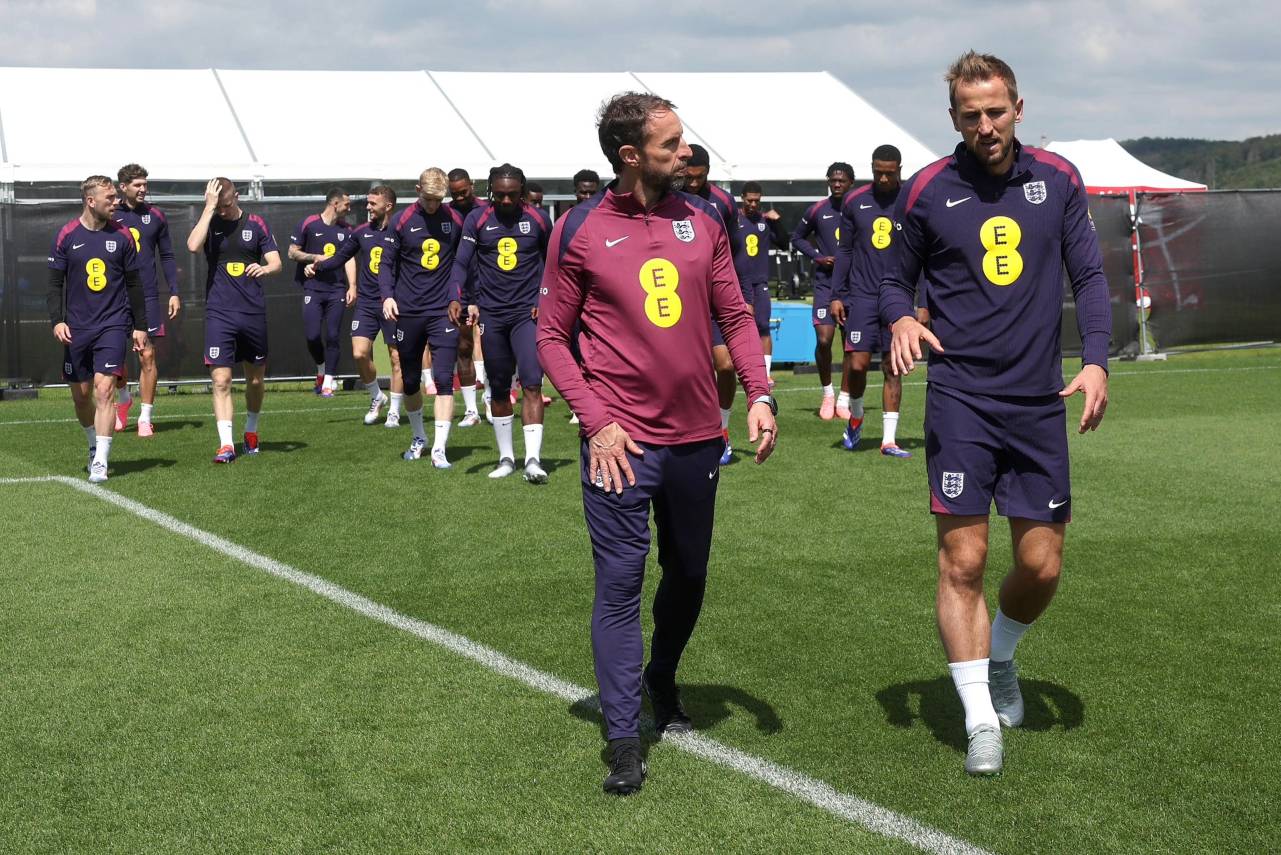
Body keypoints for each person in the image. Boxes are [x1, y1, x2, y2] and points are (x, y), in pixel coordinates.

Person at [537, 92, 778, 796]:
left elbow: (734, 314)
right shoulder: (578, 227)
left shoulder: (704, 220)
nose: (686, 154)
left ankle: (661, 677)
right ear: (630, 154)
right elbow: (549, 335)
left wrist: (760, 394)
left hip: (698, 438)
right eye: (671, 144)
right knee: (619, 583)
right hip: (618, 442)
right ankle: (621, 738)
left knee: (689, 575)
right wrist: (594, 420)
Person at [880, 51, 1111, 775]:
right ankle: (980, 717)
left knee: (1040, 566)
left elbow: (1090, 273)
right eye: (969, 114)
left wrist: (1097, 358)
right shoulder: (924, 191)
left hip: (1038, 401)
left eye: (995, 110)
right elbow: (889, 278)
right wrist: (897, 318)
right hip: (960, 400)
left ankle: (1000, 652)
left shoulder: (1059, 180)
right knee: (964, 559)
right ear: (952, 117)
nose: (984, 125)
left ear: (1018, 108)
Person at [449, 163, 554, 482]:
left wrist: (542, 299)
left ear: (521, 191)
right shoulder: (476, 219)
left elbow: (554, 264)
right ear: (491, 192)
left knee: (533, 383)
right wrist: (456, 296)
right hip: (492, 314)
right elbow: (461, 261)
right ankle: (506, 458)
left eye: (512, 195)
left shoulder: (538, 218)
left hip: (526, 314)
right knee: (498, 386)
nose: (506, 201)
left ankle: (533, 460)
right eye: (500, 195)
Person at [48, 175, 148, 482]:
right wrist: (58, 320)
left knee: (105, 390)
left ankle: (101, 462)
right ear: (91, 201)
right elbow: (54, 284)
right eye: (109, 198)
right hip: (77, 327)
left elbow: (133, 283)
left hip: (113, 324)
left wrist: (140, 326)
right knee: (81, 395)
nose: (115, 202)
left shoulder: (123, 235)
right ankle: (93, 444)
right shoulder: (66, 235)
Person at [186, 177, 282, 463]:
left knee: (254, 380)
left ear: (236, 197)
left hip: (251, 311)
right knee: (221, 379)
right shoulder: (210, 221)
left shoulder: (256, 224)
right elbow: (192, 246)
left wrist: (264, 269)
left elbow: (277, 263)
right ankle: (226, 444)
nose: (223, 211)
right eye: (219, 206)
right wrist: (208, 209)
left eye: (226, 205)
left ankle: (251, 429)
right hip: (219, 312)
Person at [830, 145, 913, 457]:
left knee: (894, 367)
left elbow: (923, 252)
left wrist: (923, 301)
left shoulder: (909, 200)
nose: (883, 177)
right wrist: (836, 294)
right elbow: (845, 251)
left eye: (889, 172)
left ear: (899, 169)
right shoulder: (855, 201)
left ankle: (889, 440)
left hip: (898, 296)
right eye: (878, 171)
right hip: (862, 296)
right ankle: (856, 416)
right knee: (859, 364)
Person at [382, 168, 464, 468]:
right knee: (411, 379)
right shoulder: (402, 221)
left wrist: (460, 297)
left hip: (442, 311)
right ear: (418, 190)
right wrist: (387, 296)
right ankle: (419, 437)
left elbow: (463, 261)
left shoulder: (454, 219)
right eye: (428, 199)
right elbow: (386, 264)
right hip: (409, 311)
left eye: (438, 199)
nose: (433, 205)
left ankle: (439, 449)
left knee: (444, 379)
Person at [308, 184, 404, 426]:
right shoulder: (361, 232)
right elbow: (340, 258)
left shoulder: (402, 231)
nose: (368, 207)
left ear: (388, 206)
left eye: (373, 203)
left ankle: (394, 409)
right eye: (368, 203)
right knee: (359, 353)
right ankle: (376, 397)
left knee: (396, 358)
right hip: (367, 303)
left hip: (393, 303)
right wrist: (317, 265)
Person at [683, 144, 745, 465]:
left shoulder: (723, 202)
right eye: (687, 176)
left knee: (726, 365)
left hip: (715, 296)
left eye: (699, 176)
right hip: (679, 298)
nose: (692, 183)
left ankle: (722, 432)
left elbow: (735, 253)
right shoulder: (669, 195)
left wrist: (740, 296)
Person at [111, 163, 179, 437]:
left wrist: (174, 290)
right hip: (115, 297)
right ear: (122, 187)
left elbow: (167, 256)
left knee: (147, 354)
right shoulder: (110, 215)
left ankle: (144, 417)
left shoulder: (156, 216)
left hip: (148, 296)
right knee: (114, 359)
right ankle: (124, 398)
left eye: (144, 184)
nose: (143, 189)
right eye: (137, 185)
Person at [726, 181, 787, 462]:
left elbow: (785, 242)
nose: (753, 205)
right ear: (742, 199)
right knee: (737, 328)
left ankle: (764, 375)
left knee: (762, 326)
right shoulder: (734, 219)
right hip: (737, 282)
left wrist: (778, 223)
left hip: (760, 283)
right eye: (749, 200)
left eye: (757, 201)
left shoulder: (764, 222)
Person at [792, 163, 855, 419]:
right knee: (824, 339)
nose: (837, 184)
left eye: (841, 180)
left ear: (851, 182)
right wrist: (818, 257)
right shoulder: (818, 209)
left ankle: (844, 399)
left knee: (852, 343)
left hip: (853, 285)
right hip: (825, 285)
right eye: (833, 180)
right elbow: (796, 237)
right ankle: (828, 393)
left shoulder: (860, 208)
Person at [289, 188, 355, 397]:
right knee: (313, 336)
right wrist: (313, 258)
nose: (349, 208)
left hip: (336, 289)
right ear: (335, 204)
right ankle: (321, 369)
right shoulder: (309, 224)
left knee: (334, 335)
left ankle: (328, 382)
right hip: (313, 289)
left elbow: (350, 258)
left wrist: (352, 286)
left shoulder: (347, 230)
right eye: (347, 204)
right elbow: (292, 252)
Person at [447, 167, 488, 426]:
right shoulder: (447, 214)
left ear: (471, 185)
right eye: (455, 194)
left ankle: (494, 400)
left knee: (495, 347)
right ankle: (471, 410)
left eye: (464, 192)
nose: (460, 197)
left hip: (489, 287)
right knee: (463, 346)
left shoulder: (486, 209)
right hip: (461, 289)